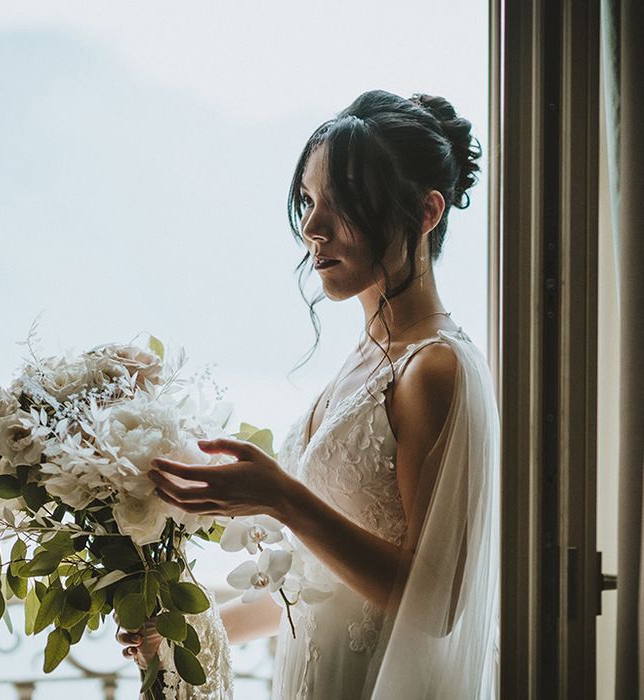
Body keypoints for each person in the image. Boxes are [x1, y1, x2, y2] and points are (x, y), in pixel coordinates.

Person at [117, 89, 500, 699]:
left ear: (426, 213)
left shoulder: (435, 369)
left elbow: (436, 605)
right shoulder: (362, 363)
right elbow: (320, 586)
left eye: (341, 204)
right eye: (307, 201)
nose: (311, 227)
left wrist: (284, 498)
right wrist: (186, 630)